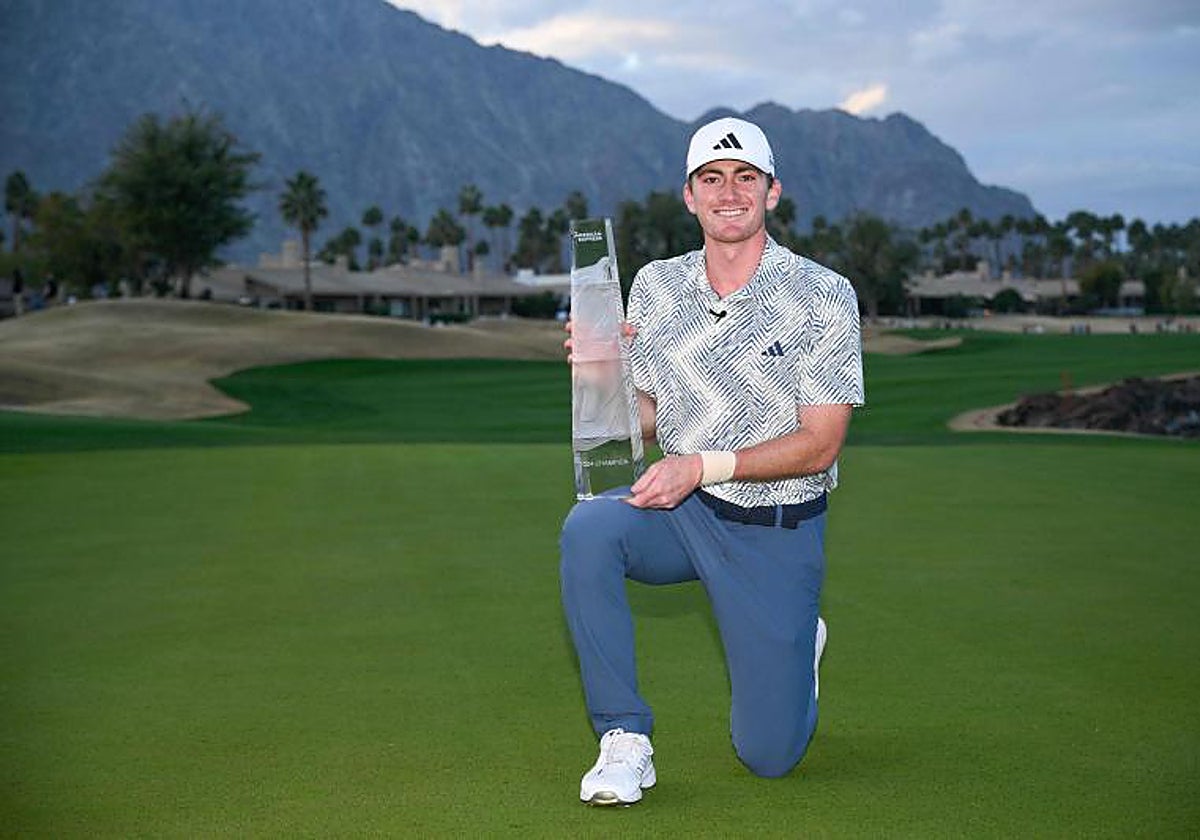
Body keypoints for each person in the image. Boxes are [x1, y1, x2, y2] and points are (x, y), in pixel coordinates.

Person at [560, 116, 865, 806]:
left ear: (772, 192)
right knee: (590, 530)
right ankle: (624, 738)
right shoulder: (656, 287)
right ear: (691, 197)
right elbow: (642, 421)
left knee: (769, 757)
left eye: (745, 178)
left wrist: (701, 466)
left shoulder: (823, 294)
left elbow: (819, 442)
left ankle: (797, 646)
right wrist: (597, 371)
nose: (729, 192)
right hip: (684, 516)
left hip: (775, 529)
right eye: (712, 179)